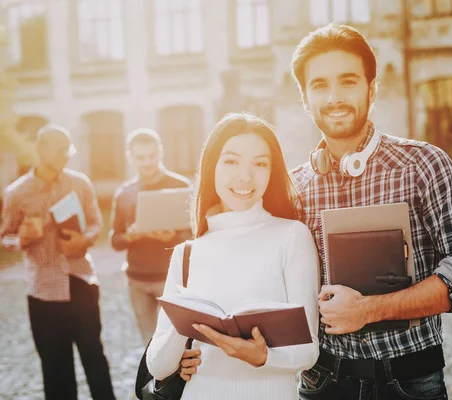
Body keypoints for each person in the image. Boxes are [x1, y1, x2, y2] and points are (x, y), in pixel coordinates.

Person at [285, 23, 452, 399]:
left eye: (348, 81)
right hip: (321, 382)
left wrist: (368, 310)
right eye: (319, 85)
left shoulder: (424, 164)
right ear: (304, 97)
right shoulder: (293, 185)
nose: (334, 97)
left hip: (410, 381)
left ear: (372, 87)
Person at [146, 113, 320, 400]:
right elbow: (158, 366)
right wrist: (184, 329)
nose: (245, 176)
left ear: (271, 171)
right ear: (211, 166)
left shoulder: (292, 236)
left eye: (260, 164)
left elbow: (308, 350)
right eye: (231, 161)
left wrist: (262, 357)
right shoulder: (187, 253)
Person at [0, 124, 115, 400]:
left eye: (69, 149)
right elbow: (5, 236)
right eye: (61, 149)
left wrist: (84, 240)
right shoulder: (16, 193)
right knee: (55, 369)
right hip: (43, 292)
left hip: (82, 282)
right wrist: (22, 240)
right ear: (41, 149)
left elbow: (96, 223)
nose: (67, 155)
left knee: (95, 359)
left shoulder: (80, 183)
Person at [109, 128, 192, 345]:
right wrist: (129, 237)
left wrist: (171, 238)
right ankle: (153, 380)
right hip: (137, 281)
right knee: (149, 344)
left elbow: (195, 235)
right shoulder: (124, 193)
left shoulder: (181, 186)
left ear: (160, 152)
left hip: (172, 278)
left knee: (178, 343)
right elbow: (114, 240)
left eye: (151, 156)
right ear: (130, 157)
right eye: (140, 158)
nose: (147, 162)